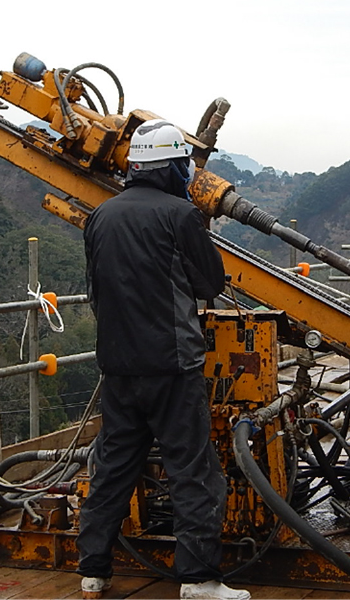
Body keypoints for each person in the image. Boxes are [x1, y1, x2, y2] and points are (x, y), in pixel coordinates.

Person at [77, 119, 251, 600]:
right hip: (172, 365)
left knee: (113, 465)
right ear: (174, 166)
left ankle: (93, 569)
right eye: (185, 167)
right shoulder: (181, 215)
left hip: (116, 364)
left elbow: (97, 289)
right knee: (191, 468)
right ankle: (198, 579)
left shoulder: (101, 216)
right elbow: (208, 284)